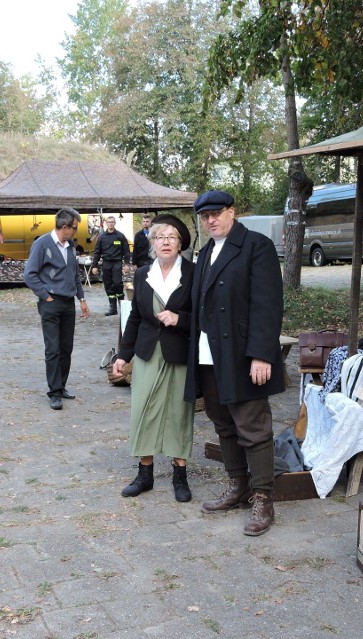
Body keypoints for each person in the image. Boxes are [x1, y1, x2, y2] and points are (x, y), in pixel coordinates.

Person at [185, 190, 285, 536]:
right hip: (208, 354)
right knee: (223, 422)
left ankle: (263, 497)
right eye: (204, 216)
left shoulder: (256, 246)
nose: (210, 220)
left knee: (252, 426)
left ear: (232, 211)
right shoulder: (206, 252)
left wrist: (261, 354)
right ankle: (238, 486)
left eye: (216, 213)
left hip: (242, 355)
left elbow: (268, 304)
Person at [113, 215, 195, 502]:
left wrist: (179, 318)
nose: (166, 242)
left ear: (180, 243)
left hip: (179, 352)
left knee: (178, 413)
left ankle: (180, 476)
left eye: (172, 237)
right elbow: (135, 316)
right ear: (152, 242)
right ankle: (144, 474)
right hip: (147, 351)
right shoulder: (142, 274)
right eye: (160, 237)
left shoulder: (193, 273)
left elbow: (205, 316)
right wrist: (123, 355)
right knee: (142, 409)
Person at [24, 208, 90, 410]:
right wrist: (46, 296)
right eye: (74, 228)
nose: (76, 231)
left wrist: (81, 298)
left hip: (69, 304)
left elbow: (75, 274)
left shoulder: (70, 246)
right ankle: (53, 393)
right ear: (64, 227)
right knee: (52, 349)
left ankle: (61, 386)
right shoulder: (42, 244)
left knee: (66, 349)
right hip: (51, 304)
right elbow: (30, 275)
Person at [91, 216, 131, 316]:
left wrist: (126, 264)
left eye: (112, 222)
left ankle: (122, 306)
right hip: (106, 263)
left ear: (115, 223)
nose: (110, 224)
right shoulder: (102, 237)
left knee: (117, 284)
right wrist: (94, 266)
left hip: (117, 263)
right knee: (108, 285)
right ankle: (113, 308)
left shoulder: (120, 236)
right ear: (106, 223)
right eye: (109, 222)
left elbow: (126, 251)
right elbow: (97, 252)